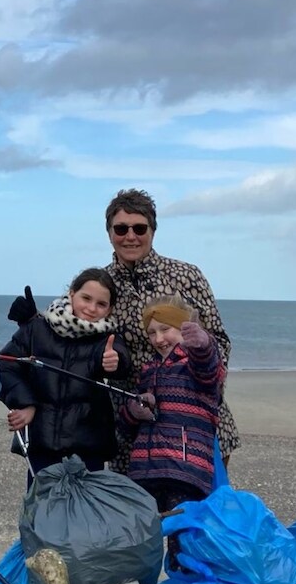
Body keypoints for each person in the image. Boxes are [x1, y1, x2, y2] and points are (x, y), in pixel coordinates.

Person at [100, 187, 239, 463]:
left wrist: (196, 391)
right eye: (121, 228)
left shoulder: (185, 275)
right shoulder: (100, 285)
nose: (130, 236)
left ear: (152, 231)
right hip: (134, 432)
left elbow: (219, 342)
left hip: (195, 427)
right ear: (109, 232)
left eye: (139, 228)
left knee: (201, 507)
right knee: (138, 506)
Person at [0, 269, 132, 476]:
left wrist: (115, 362)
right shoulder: (37, 327)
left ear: (110, 309)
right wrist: (25, 403)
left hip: (88, 447)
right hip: (41, 442)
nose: (91, 308)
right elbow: (5, 365)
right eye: (86, 298)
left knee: (85, 508)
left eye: (101, 304)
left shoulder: (107, 338)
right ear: (71, 294)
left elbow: (122, 360)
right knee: (41, 506)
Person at [120, 296, 226, 520]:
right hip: (144, 472)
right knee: (144, 542)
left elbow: (208, 369)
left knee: (183, 539)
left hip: (184, 472)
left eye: (165, 329)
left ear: (182, 327)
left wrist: (203, 344)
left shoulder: (193, 364)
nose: (158, 339)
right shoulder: (148, 370)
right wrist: (134, 410)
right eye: (151, 332)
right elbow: (127, 426)